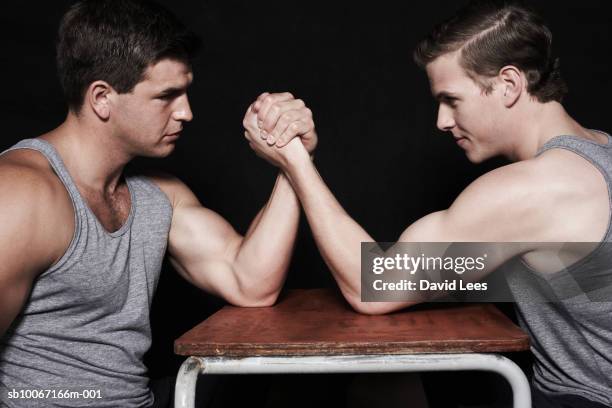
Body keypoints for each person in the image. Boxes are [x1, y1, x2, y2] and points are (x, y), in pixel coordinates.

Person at [243, 1, 612, 407]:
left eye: (452, 100)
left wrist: (296, 160)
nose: (441, 121)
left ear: (508, 85)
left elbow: (374, 287)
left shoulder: (539, 188)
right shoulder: (600, 150)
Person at [0, 1, 315, 407]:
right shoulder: (22, 194)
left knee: (300, 377)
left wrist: (293, 162)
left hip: (142, 400)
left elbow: (249, 281)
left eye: (185, 92)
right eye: (167, 96)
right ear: (102, 98)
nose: (186, 112)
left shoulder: (157, 196)